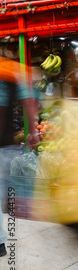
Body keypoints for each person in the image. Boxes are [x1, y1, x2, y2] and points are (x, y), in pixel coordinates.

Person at [0, 57, 39, 257]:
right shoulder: (13, 72)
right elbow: (29, 102)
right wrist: (33, 132)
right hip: (7, 146)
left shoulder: (6, 72)